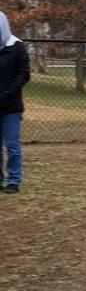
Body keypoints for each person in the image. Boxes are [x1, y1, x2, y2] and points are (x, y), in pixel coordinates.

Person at [0, 11, 30, 194]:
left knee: (12, 145)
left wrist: (5, 95)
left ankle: (14, 180)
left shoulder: (17, 47)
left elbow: (23, 75)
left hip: (11, 107)